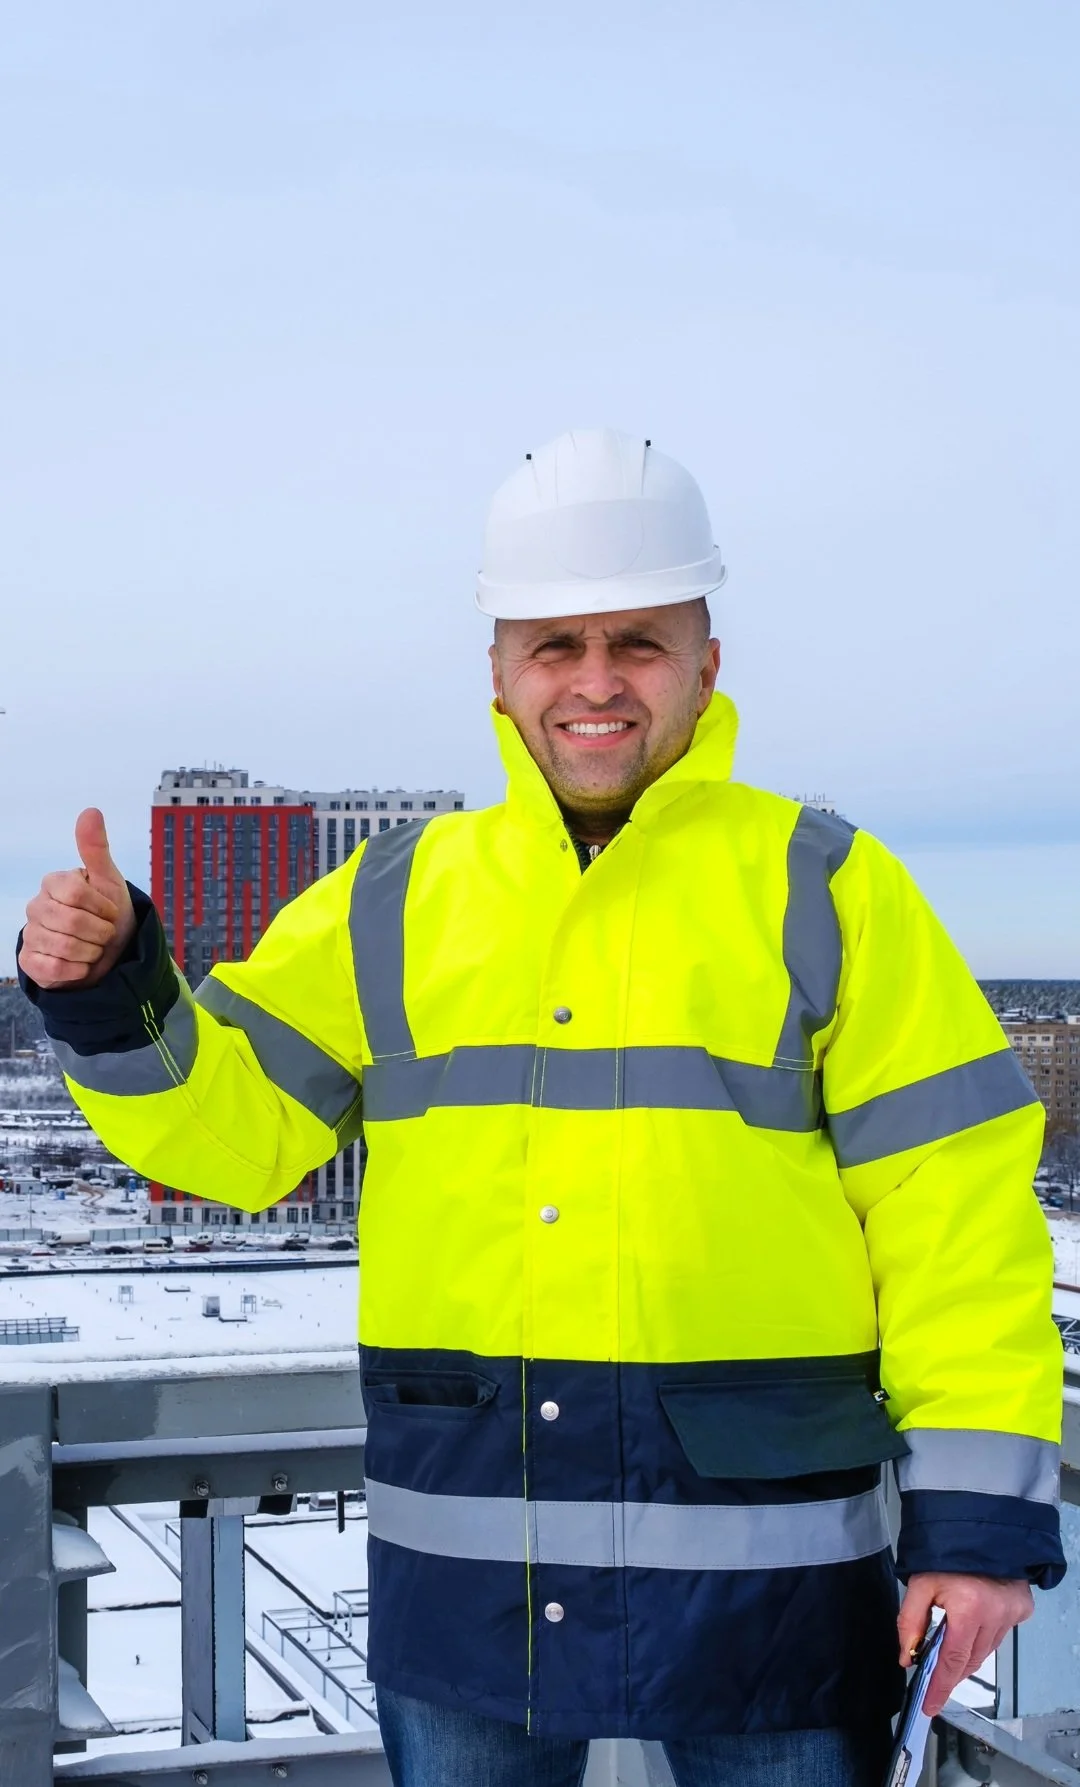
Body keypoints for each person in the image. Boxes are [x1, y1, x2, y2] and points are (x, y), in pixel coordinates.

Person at [19, 429, 1064, 1787]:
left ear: (706, 662)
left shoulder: (829, 888)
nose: (595, 681)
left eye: (637, 640)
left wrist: (975, 1522)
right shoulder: (396, 897)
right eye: (554, 644)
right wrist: (115, 988)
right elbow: (237, 1136)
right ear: (501, 674)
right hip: (471, 1582)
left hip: (774, 1590)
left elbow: (959, 1218)